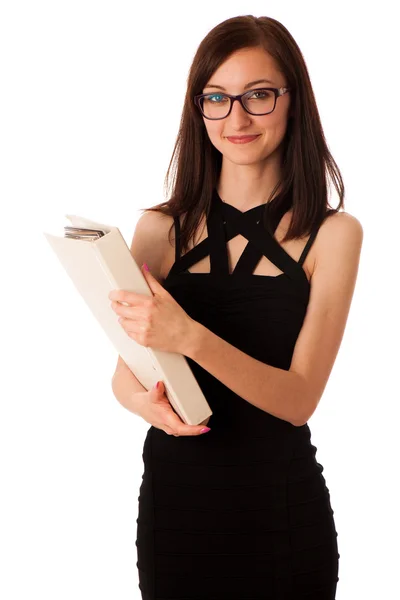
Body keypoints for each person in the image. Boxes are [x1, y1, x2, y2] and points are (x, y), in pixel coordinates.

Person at [110, 14, 363, 600]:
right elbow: (125, 377)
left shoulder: (334, 234)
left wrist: (189, 337)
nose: (237, 118)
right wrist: (147, 407)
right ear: (198, 109)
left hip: (280, 513)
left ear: (292, 101)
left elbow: (299, 400)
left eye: (258, 95)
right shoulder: (158, 229)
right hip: (175, 512)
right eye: (217, 98)